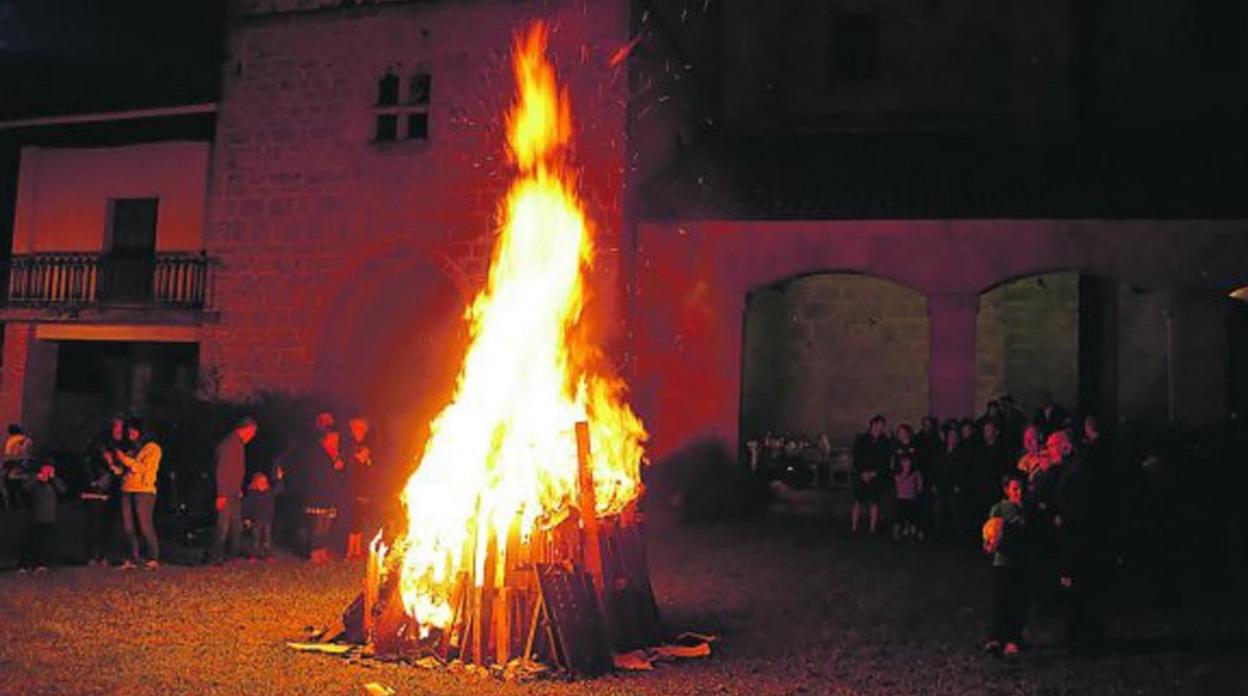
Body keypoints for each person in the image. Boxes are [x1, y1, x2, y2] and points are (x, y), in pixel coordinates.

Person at [982, 471, 1029, 658]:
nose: (1019, 493)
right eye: (1015, 489)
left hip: (1021, 562)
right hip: (1001, 562)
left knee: (1017, 602)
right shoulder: (999, 509)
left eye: (1021, 489)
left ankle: (1013, 640)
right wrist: (989, 545)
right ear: (1007, 490)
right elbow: (988, 532)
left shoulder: (1028, 509)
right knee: (999, 601)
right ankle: (996, 637)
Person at [80, 416, 128, 566]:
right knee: (95, 521)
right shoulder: (100, 442)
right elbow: (87, 459)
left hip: (116, 487)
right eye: (116, 428)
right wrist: (93, 480)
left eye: (121, 428)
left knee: (111, 522)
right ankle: (92, 554)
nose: (119, 431)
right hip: (100, 486)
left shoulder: (124, 444)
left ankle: (105, 555)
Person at [115, 418, 161, 570]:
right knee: (128, 525)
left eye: (133, 431)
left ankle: (153, 558)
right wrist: (115, 465)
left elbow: (144, 469)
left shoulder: (152, 448)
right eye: (129, 431)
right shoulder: (132, 449)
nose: (130, 434)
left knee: (144, 525)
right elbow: (124, 470)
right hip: (127, 489)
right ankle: (134, 557)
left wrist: (125, 460)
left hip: (144, 491)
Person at [212, 416, 258, 565]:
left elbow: (236, 470)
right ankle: (216, 557)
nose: (252, 436)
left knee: (236, 526)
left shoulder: (238, 445)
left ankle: (232, 556)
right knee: (223, 526)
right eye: (252, 432)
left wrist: (237, 489)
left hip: (233, 493)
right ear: (244, 429)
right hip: (226, 494)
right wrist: (221, 494)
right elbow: (223, 470)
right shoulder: (229, 444)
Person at [306, 425, 346, 563]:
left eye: (337, 439)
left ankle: (322, 551)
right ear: (325, 439)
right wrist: (332, 467)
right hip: (318, 494)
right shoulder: (317, 452)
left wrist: (338, 467)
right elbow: (317, 472)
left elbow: (338, 473)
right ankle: (314, 553)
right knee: (318, 526)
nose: (336, 441)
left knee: (327, 525)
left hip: (330, 494)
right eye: (333, 438)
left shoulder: (334, 453)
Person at [18, 461, 66, 572]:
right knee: (30, 541)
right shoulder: (33, 478)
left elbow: (62, 490)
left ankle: (40, 563)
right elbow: (26, 489)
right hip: (35, 515)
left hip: (49, 516)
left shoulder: (54, 481)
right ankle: (24, 564)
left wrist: (53, 478)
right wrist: (37, 479)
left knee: (44, 542)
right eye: (45, 468)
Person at [344, 415, 378, 559]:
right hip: (351, 489)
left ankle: (357, 550)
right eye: (356, 428)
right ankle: (350, 551)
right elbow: (347, 468)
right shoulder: (348, 445)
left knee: (359, 519)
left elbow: (372, 469)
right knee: (352, 520)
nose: (359, 431)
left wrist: (367, 461)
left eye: (362, 428)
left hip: (364, 490)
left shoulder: (368, 445)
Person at [851, 415, 891, 534]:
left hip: (876, 475)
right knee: (858, 500)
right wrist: (863, 472)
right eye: (878, 425)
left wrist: (876, 472)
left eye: (882, 426)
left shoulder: (884, 441)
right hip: (862, 474)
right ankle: (854, 526)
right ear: (872, 424)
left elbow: (885, 460)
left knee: (874, 501)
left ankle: (872, 527)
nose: (880, 428)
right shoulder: (862, 439)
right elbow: (857, 457)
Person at [243, 468, 283, 561]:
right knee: (255, 539)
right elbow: (246, 506)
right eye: (260, 481)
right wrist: (247, 518)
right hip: (256, 520)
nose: (263, 483)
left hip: (267, 519)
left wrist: (280, 478)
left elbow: (279, 488)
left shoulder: (269, 492)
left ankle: (267, 555)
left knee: (267, 539)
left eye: (264, 481)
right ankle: (254, 555)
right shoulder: (252, 494)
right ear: (256, 483)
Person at [2, 424, 34, 510]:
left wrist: (4, 466)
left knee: (10, 486)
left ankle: (13, 505)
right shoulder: (28, 440)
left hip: (14, 465)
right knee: (23, 486)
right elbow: (30, 453)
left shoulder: (11, 441)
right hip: (26, 466)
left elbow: (8, 456)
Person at [892, 453, 924, 541]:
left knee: (912, 516)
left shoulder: (916, 472)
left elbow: (920, 484)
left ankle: (912, 533)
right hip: (901, 497)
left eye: (907, 461)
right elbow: (898, 483)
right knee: (899, 517)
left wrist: (917, 490)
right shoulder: (897, 472)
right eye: (904, 461)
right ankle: (897, 533)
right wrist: (904, 472)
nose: (906, 463)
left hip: (911, 497)